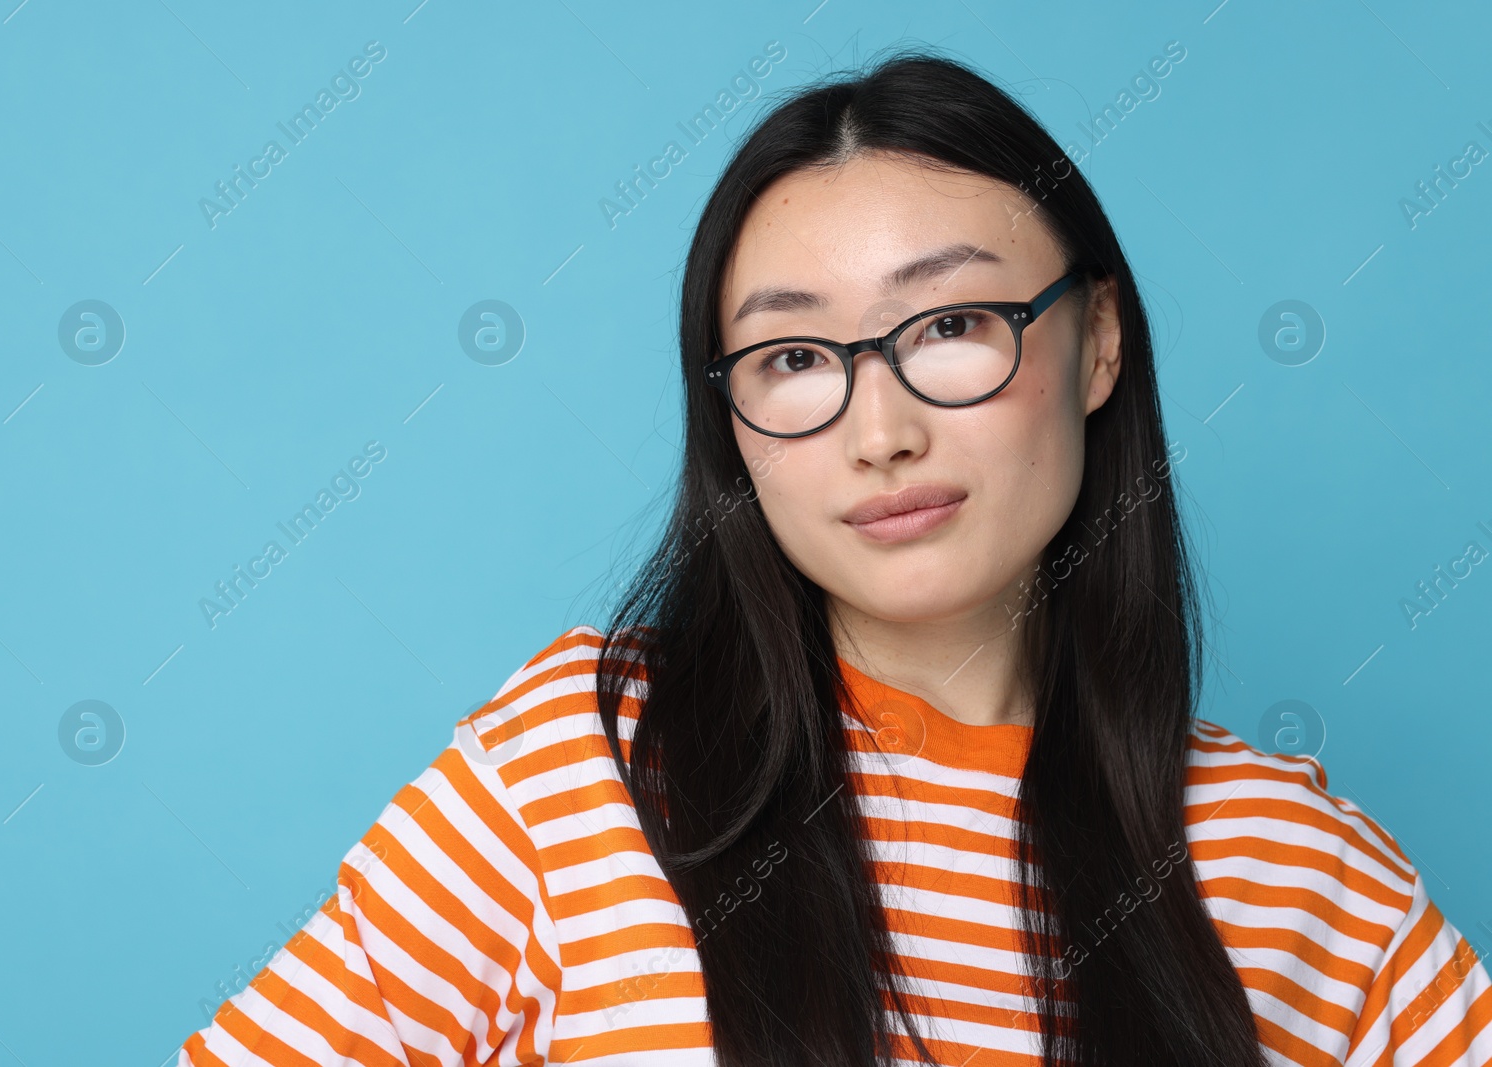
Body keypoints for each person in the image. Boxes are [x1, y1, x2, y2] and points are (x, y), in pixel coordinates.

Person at [176, 50, 1491, 1067]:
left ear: (1096, 345)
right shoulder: (583, 766)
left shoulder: (1293, 865)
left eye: (952, 325)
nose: (881, 430)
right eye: (794, 359)